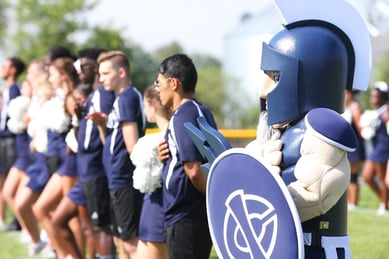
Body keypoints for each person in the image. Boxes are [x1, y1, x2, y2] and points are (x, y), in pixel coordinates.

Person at [50, 47, 116, 259]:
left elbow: (107, 134)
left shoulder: (104, 96)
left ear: (96, 68)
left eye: (82, 66)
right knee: (59, 220)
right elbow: (82, 137)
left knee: (100, 227)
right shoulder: (93, 96)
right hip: (85, 170)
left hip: (97, 170)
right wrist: (78, 117)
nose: (78, 71)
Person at [87, 50, 146, 259]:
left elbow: (132, 146)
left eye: (105, 73)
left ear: (121, 72)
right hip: (115, 178)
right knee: (120, 240)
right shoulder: (120, 98)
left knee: (130, 242)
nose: (101, 78)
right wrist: (103, 125)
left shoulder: (127, 97)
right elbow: (110, 144)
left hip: (124, 179)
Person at [156, 54, 215, 259]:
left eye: (159, 83)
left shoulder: (183, 115)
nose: (157, 89)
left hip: (185, 214)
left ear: (173, 83)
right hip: (192, 214)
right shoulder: (200, 110)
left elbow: (194, 170)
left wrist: (213, 197)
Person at [131, 85, 171, 259]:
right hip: (151, 205)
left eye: (145, 105)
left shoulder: (159, 140)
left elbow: (142, 181)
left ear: (153, 106)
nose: (144, 110)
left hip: (158, 205)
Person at [0, 56, 26, 231]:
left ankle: (18, 221)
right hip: (3, 138)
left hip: (10, 139)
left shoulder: (15, 89)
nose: (2, 68)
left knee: (11, 177)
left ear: (13, 70)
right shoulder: (7, 90)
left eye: (5, 66)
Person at [361, 81, 389, 215]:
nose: (372, 98)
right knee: (367, 177)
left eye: (375, 95)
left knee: (383, 178)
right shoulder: (377, 112)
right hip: (376, 148)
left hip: (384, 149)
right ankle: (385, 201)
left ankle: (384, 206)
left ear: (383, 97)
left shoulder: (386, 113)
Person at [342, 89, 366, 209]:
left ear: (350, 94)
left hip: (355, 147)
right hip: (348, 147)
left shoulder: (355, 108)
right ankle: (349, 202)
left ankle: (353, 203)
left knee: (353, 176)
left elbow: (361, 130)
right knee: (347, 175)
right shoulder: (346, 108)